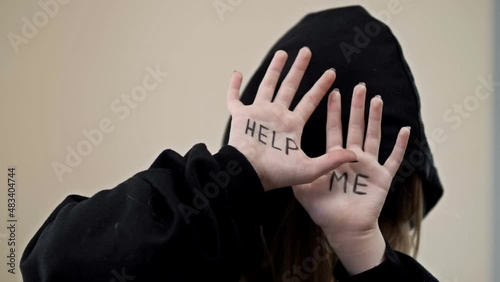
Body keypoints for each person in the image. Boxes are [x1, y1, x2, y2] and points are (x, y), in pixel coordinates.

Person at [20, 5, 443, 282]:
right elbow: (54, 268)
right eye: (398, 216)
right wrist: (233, 175)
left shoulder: (365, 250)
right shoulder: (203, 260)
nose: (399, 232)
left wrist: (367, 255)